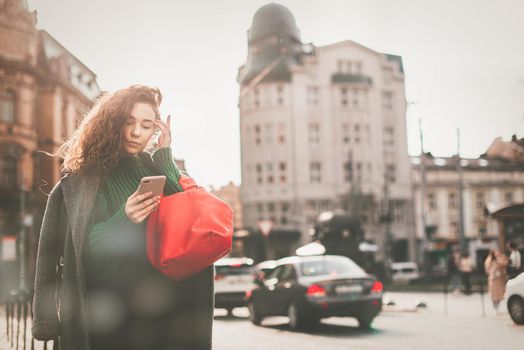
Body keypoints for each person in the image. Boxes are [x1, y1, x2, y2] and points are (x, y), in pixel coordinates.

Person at [32, 85, 214, 350]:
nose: (136, 132)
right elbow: (81, 255)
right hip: (105, 325)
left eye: (146, 124)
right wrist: (124, 217)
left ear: (156, 130)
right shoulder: (83, 181)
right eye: (128, 122)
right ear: (112, 123)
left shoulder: (160, 170)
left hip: (163, 322)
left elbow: (188, 231)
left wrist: (165, 157)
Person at [484, 249, 508, 313]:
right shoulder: (489, 259)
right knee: (493, 293)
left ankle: (497, 305)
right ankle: (495, 306)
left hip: (499, 279)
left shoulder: (499, 258)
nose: (497, 253)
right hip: (493, 279)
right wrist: (493, 272)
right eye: (495, 252)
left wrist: (501, 257)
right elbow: (487, 269)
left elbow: (504, 263)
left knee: (500, 293)